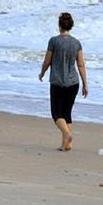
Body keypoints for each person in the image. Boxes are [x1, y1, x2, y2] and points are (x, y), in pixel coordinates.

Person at [39, 12, 88, 151]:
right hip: (73, 82)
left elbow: (47, 61)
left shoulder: (54, 41)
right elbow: (81, 65)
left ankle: (67, 134)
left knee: (56, 114)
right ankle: (66, 144)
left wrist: (42, 73)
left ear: (59, 25)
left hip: (58, 81)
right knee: (67, 113)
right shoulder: (77, 43)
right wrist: (85, 84)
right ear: (71, 26)